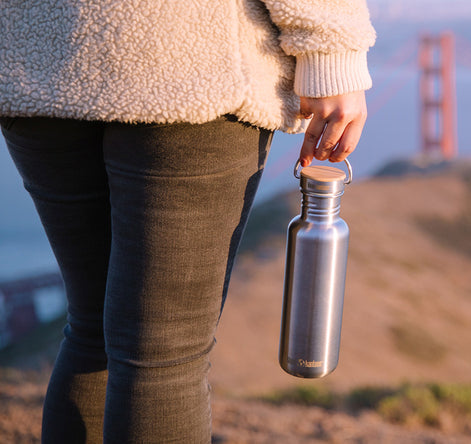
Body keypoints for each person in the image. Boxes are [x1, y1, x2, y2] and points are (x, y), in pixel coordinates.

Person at [0, 0, 375, 442]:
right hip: (186, 58)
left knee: (92, 329)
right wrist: (332, 50)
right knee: (162, 358)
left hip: (37, 53)